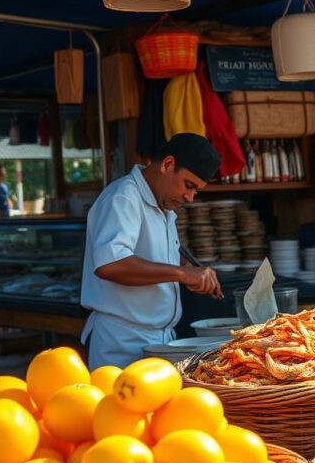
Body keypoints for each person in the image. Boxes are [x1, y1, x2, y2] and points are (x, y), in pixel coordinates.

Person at [81, 133, 224, 369]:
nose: (190, 197)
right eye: (188, 185)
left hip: (160, 340)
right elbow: (110, 265)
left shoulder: (163, 207)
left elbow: (157, 260)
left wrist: (189, 272)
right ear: (167, 165)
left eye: (196, 191)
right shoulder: (124, 197)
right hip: (122, 343)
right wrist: (181, 274)